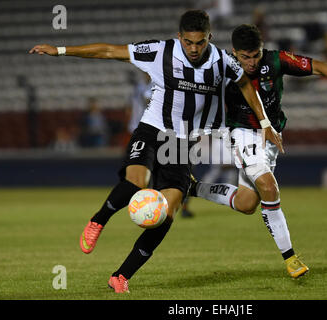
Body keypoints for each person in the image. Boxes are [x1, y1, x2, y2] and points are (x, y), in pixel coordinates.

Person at [29, 10, 283, 293]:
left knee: (167, 214)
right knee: (135, 182)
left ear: (209, 38)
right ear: (179, 37)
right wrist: (61, 50)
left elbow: (247, 85)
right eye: (188, 42)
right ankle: (98, 221)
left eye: (200, 42)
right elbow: (110, 51)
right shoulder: (160, 52)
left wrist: (264, 122)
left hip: (180, 143)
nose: (194, 48)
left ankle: (121, 276)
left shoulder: (222, 61)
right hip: (152, 130)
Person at [190, 24, 327, 278]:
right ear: (234, 52)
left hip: (272, 136)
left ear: (262, 49)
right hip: (242, 132)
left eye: (256, 55)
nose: (252, 62)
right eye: (245, 57)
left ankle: (192, 188)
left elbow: (317, 66)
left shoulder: (276, 61)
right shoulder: (221, 67)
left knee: (247, 203)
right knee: (269, 187)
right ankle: (291, 258)